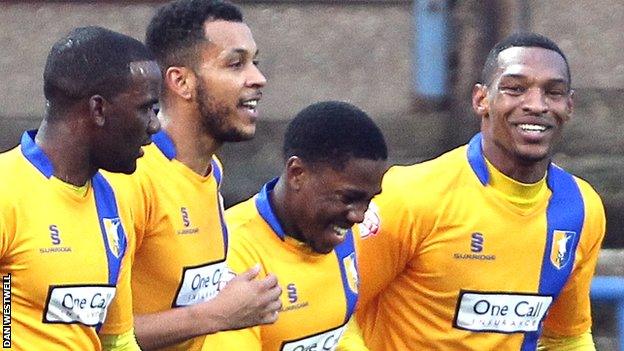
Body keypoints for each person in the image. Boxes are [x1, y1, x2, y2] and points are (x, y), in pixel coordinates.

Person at [348, 32, 605, 350]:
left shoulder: (581, 207)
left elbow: (566, 338)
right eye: (515, 89)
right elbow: (334, 312)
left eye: (553, 93)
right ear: (481, 99)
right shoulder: (410, 195)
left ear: (569, 106)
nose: (536, 105)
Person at [99, 1, 281, 350]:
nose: (258, 79)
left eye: (254, 63)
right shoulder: (132, 179)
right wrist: (216, 314)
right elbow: (97, 333)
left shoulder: (212, 173)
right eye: (235, 63)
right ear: (181, 81)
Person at [0, 26, 161, 350]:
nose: (155, 126)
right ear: (98, 109)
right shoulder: (7, 191)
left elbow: (117, 340)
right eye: (145, 108)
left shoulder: (114, 201)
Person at [203, 101, 388, 351]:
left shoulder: (339, 234)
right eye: (348, 198)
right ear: (297, 173)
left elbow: (339, 328)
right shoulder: (233, 251)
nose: (359, 216)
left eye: (368, 200)